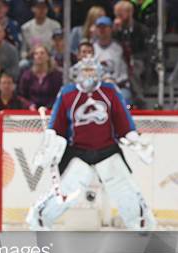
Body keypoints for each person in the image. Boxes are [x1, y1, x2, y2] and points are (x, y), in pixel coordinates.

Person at [26, 57, 155, 230]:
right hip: (77, 151)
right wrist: (49, 147)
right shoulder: (67, 93)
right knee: (66, 191)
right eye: (85, 70)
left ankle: (142, 226)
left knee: (125, 191)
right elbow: (56, 126)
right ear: (77, 73)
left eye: (92, 70)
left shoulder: (109, 91)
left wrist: (136, 141)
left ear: (99, 73)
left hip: (107, 149)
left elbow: (123, 122)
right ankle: (39, 219)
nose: (88, 75)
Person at [18, 44, 62, 109]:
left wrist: (48, 107)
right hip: (31, 112)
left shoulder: (56, 75)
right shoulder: (27, 75)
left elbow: (58, 95)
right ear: (33, 57)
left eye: (42, 53)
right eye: (36, 54)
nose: (39, 56)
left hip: (50, 111)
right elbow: (21, 96)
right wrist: (29, 105)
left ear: (47, 56)